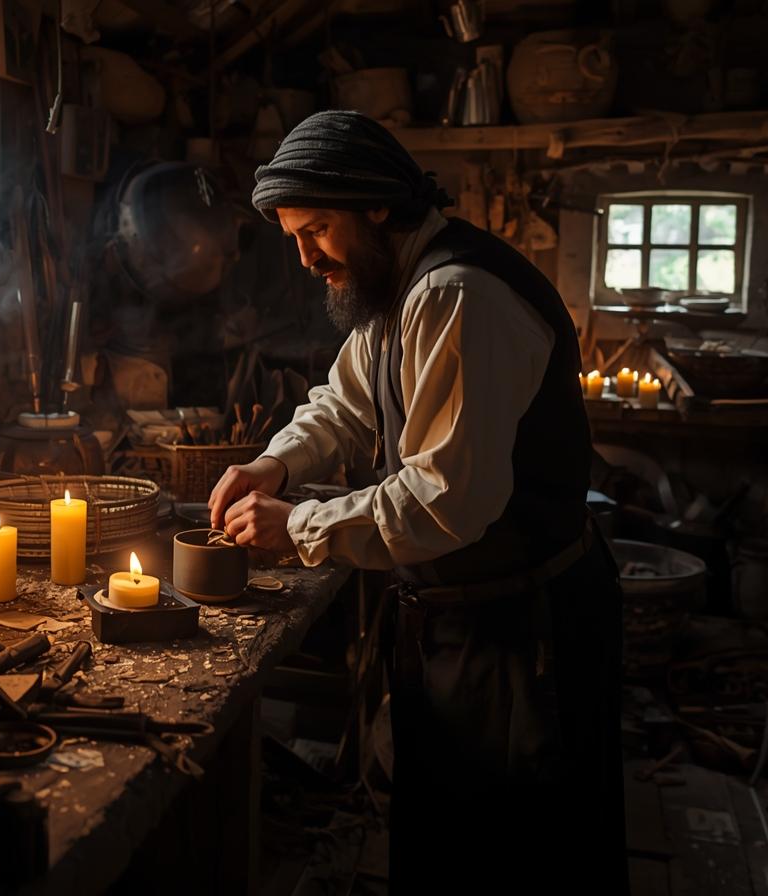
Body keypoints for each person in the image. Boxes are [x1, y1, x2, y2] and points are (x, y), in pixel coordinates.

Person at [208, 110, 623, 890]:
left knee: (518, 854)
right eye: (294, 235)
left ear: (375, 204)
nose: (305, 257)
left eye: (318, 229)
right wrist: (274, 466)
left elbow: (444, 500)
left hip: (522, 632)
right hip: (468, 619)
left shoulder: (457, 295)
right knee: (448, 839)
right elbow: (345, 403)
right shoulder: (398, 287)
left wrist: (297, 524)